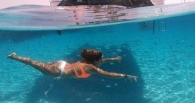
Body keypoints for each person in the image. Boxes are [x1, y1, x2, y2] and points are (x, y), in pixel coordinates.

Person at [7, 49, 138, 82]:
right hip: (57, 72)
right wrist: (125, 76)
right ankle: (14, 57)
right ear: (95, 60)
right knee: (32, 62)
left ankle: (18, 58)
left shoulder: (88, 62)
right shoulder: (92, 67)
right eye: (101, 58)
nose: (102, 59)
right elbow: (107, 74)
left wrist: (113, 59)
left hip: (61, 64)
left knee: (38, 64)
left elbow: (101, 61)